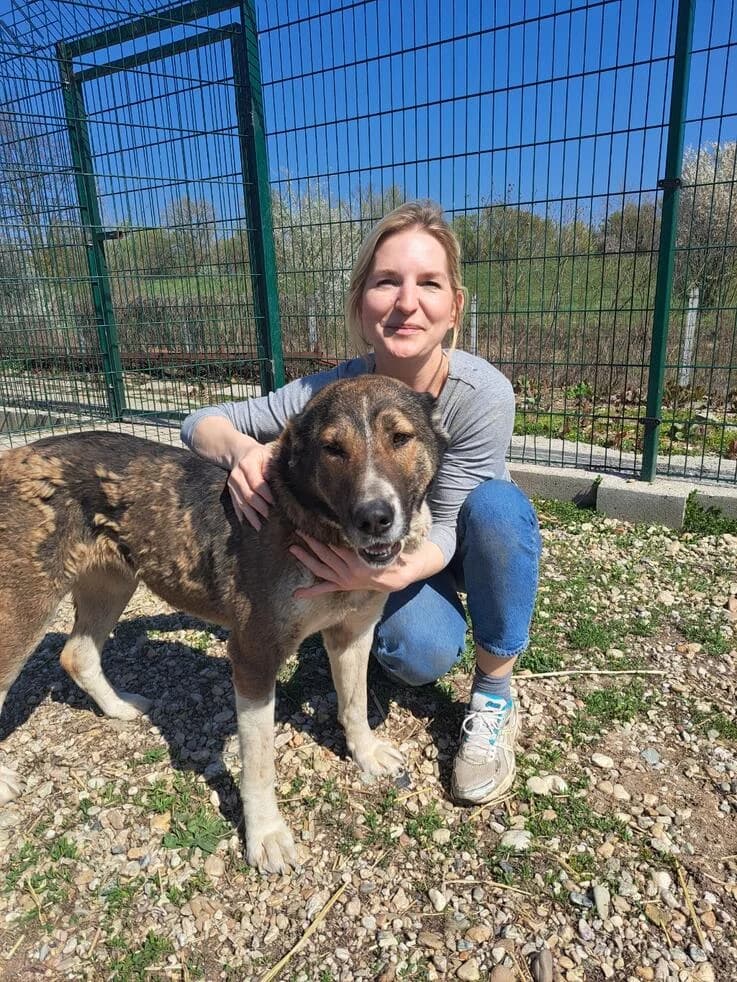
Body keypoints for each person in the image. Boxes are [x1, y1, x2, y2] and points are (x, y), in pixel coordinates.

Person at [180, 201, 541, 806]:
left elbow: (450, 523)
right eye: (386, 282)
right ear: (360, 303)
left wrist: (379, 574)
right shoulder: (325, 395)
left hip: (453, 542)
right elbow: (200, 422)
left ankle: (494, 691)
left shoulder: (482, 393)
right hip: (375, 542)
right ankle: (365, 652)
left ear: (455, 305)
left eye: (429, 283)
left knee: (500, 508)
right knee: (418, 651)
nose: (407, 302)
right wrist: (241, 450)